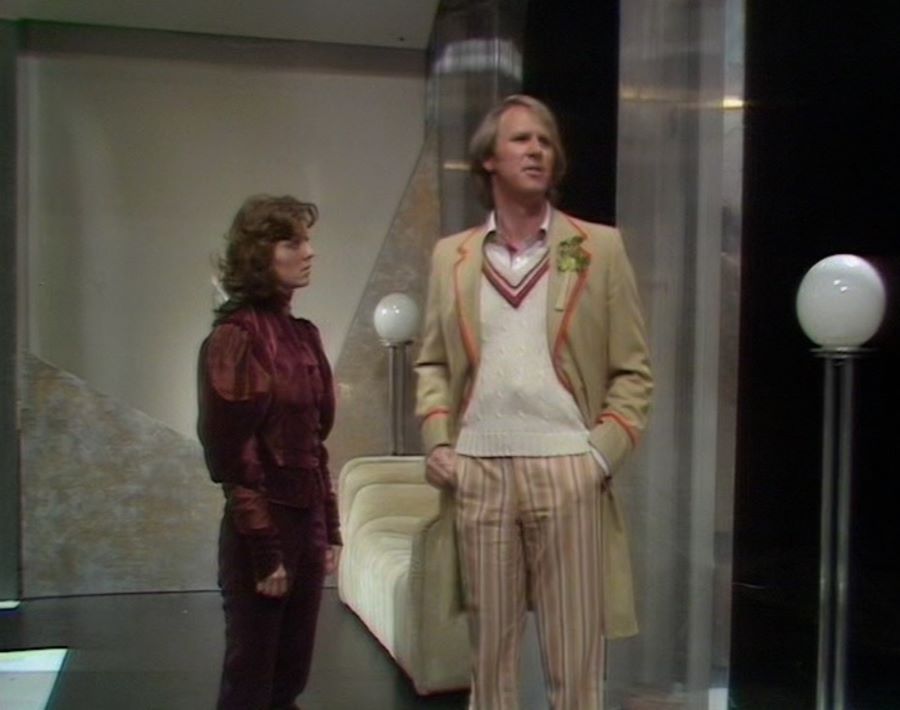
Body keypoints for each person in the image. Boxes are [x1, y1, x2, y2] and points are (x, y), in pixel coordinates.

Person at [415, 95, 653, 709]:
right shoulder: (452, 257)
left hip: (568, 468)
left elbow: (633, 371)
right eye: (521, 139)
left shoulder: (599, 247)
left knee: (575, 661)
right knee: (489, 660)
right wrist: (439, 443)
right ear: (488, 159)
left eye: (545, 141)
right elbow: (433, 362)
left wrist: (596, 457)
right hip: (479, 470)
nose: (537, 151)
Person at [197, 195, 341, 710]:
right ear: (260, 253)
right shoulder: (234, 339)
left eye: (307, 240)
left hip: (305, 521)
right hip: (263, 523)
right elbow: (233, 457)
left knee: (290, 675)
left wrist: (329, 527)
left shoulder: (303, 335)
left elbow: (315, 442)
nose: (309, 252)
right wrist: (265, 547)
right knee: (251, 679)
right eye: (292, 242)